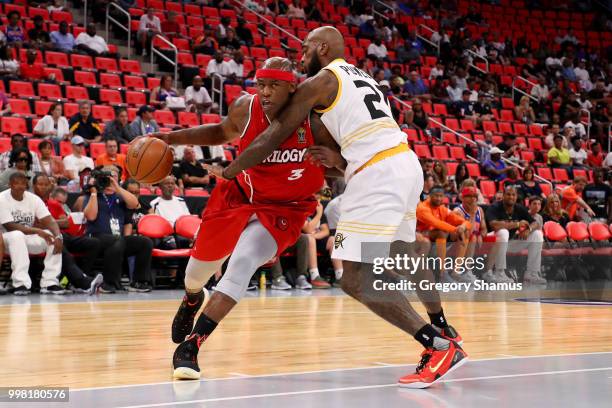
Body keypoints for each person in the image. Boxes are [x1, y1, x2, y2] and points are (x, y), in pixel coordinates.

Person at [216, 27, 467, 388]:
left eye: (304, 48)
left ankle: (438, 346)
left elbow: (274, 134)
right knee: (401, 252)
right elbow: (356, 133)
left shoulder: (322, 80)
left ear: (321, 47)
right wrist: (341, 158)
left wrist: (230, 170)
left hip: (377, 173)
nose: (300, 55)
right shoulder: (363, 76)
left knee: (353, 278)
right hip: (403, 162)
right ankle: (441, 323)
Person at [152, 57, 331, 379]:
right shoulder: (245, 109)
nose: (265, 92)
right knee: (195, 274)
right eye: (261, 85)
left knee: (243, 263)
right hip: (238, 196)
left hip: (284, 208)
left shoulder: (318, 123)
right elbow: (220, 131)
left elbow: (346, 161)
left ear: (293, 87)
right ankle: (193, 298)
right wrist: (170, 138)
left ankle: (191, 346)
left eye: (274, 85)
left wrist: (336, 161)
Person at [82, 166, 153, 293]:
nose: (110, 179)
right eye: (107, 176)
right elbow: (91, 216)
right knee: (116, 240)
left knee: (145, 242)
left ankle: (139, 281)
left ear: (118, 179)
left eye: (113, 176)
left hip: (117, 239)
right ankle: (108, 283)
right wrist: (93, 191)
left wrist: (118, 188)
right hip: (96, 238)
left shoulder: (120, 196)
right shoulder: (93, 194)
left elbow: (135, 204)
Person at [33, 174, 104, 295]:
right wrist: (52, 224)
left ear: (50, 187)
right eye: (40, 184)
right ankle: (83, 282)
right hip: (46, 237)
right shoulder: (31, 202)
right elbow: (34, 224)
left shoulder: (54, 204)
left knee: (94, 243)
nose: (44, 187)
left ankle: (82, 275)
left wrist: (48, 223)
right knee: (63, 249)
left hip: (64, 235)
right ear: (33, 186)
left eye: (46, 184)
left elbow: (66, 223)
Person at [0, 172, 64, 295]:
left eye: (23, 183)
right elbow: (10, 226)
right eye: (16, 183)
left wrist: (58, 235)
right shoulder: (2, 198)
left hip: (26, 239)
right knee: (17, 235)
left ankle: (50, 283)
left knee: (52, 237)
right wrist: (37, 230)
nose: (20, 186)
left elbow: (49, 220)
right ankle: (21, 283)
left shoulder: (33, 199)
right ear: (10, 185)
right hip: (6, 240)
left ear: (27, 185)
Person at [485, 186, 545, 285]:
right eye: (508, 194)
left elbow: (535, 223)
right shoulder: (495, 207)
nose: (511, 197)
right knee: (503, 232)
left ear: (516, 197)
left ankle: (531, 274)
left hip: (508, 243)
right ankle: (499, 272)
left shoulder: (519, 208)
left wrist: (528, 230)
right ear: (503, 195)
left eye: (513, 195)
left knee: (537, 234)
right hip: (491, 243)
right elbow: (494, 225)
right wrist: (517, 224)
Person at [417, 186, 471, 283]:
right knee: (442, 232)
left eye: (441, 196)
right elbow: (436, 223)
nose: (438, 198)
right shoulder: (422, 207)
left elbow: (466, 223)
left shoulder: (443, 208)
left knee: (465, 231)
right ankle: (442, 273)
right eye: (436, 196)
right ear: (429, 196)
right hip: (420, 235)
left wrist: (462, 228)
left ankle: (456, 272)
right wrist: (456, 230)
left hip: (437, 237)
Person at [452, 186, 486, 280]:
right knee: (470, 236)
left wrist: (480, 234)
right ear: (462, 198)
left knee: (496, 237)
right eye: (469, 196)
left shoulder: (480, 210)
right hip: (455, 242)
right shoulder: (458, 211)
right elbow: (467, 231)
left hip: (470, 240)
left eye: (474, 196)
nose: (472, 199)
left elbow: (484, 229)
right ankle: (463, 271)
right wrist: (472, 214)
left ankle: (489, 272)